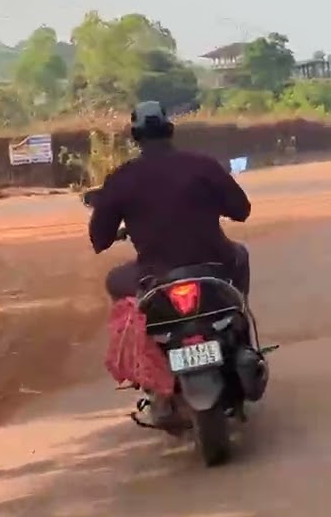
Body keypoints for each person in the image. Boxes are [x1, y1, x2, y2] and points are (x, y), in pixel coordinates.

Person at [88, 100, 253, 425]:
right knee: (242, 257)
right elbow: (242, 210)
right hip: (214, 267)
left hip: (156, 278)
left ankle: (151, 366)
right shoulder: (202, 166)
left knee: (115, 281)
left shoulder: (122, 179)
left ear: (135, 137)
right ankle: (238, 326)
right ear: (170, 131)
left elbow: (99, 239)